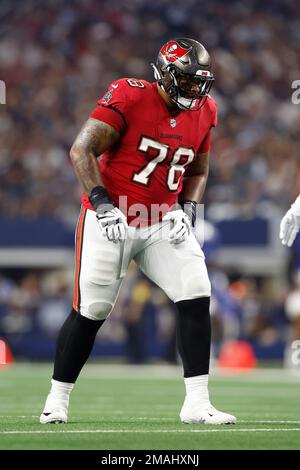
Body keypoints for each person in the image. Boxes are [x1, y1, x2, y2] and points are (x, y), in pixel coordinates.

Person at [40, 38, 236, 425]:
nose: (195, 90)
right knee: (92, 311)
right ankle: (57, 399)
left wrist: (189, 208)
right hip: (111, 216)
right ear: (164, 75)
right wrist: (102, 203)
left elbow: (197, 169)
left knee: (196, 291)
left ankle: (197, 402)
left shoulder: (206, 110)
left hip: (162, 218)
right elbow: (82, 151)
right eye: (186, 80)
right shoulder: (130, 96)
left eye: (200, 82)